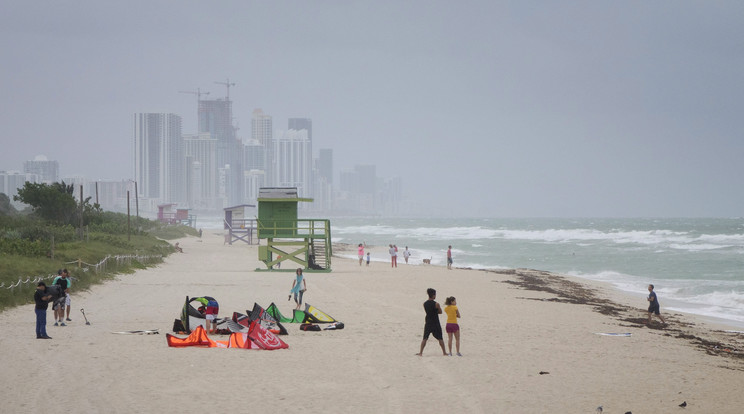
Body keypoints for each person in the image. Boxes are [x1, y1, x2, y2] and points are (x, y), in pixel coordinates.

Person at [416, 288, 447, 356]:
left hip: (428, 322)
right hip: (435, 322)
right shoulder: (436, 304)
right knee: (440, 338)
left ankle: (421, 352)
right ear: (433, 295)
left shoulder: (424, 304)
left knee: (425, 338)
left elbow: (427, 312)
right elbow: (440, 312)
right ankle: (444, 352)